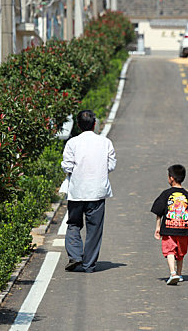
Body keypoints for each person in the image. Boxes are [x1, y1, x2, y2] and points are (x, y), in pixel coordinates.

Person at [61, 110, 116, 273]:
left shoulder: (72, 143)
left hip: (77, 191)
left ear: (78, 125)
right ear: (94, 124)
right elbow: (111, 165)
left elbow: (67, 165)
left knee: (73, 224)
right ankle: (89, 265)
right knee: (94, 229)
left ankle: (75, 255)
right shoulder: (105, 143)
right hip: (97, 191)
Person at [151, 165, 188, 285]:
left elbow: (158, 211)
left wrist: (158, 227)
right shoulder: (187, 195)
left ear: (171, 178)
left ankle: (172, 273)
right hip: (184, 229)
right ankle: (179, 274)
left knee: (170, 251)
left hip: (169, 228)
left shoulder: (166, 194)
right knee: (181, 253)